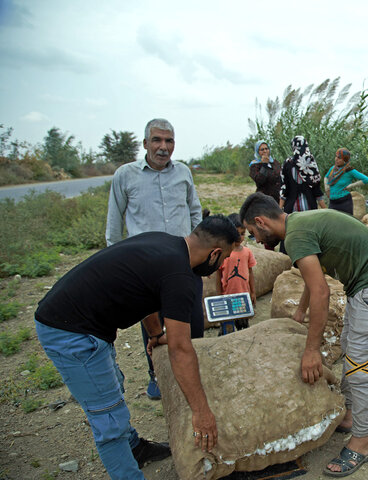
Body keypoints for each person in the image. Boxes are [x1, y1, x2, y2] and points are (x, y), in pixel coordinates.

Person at [35, 215, 239, 480]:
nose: (219, 267)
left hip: (80, 320)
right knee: (108, 420)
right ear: (214, 253)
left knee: (113, 387)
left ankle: (134, 448)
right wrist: (201, 413)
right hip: (71, 332)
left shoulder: (165, 243)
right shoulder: (180, 276)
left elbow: (143, 290)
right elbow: (181, 349)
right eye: (223, 259)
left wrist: (155, 333)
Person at [239, 193, 368, 478]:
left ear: (260, 221)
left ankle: (362, 442)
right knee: (351, 346)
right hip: (367, 281)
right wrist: (300, 309)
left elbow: (322, 292)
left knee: (360, 362)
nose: (257, 239)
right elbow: (315, 275)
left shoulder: (295, 235)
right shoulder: (299, 225)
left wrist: (312, 351)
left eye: (253, 233)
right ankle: (351, 416)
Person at [105, 118, 205, 400]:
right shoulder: (125, 175)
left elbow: (195, 212)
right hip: (143, 267)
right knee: (154, 326)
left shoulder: (183, 172)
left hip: (184, 263)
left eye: (169, 141)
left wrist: (199, 250)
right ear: (145, 143)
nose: (163, 147)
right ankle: (158, 376)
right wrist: (116, 262)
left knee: (192, 322)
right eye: (157, 140)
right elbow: (114, 226)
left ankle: (196, 373)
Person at [215, 213, 257, 332]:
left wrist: (253, 292)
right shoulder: (223, 253)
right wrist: (219, 296)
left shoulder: (247, 252)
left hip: (243, 297)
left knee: (243, 327)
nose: (239, 237)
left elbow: (250, 273)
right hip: (227, 296)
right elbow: (218, 276)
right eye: (236, 233)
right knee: (227, 327)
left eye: (242, 234)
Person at [278, 135, 327, 213]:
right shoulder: (311, 163)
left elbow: (284, 190)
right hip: (310, 209)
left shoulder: (287, 164)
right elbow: (317, 190)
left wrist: (279, 210)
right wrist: (326, 210)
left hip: (292, 210)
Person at [324, 148, 368, 216]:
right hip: (332, 202)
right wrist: (326, 187)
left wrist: (351, 186)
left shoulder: (349, 171)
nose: (336, 159)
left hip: (344, 202)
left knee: (345, 224)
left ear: (345, 160)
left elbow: (366, 180)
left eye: (339, 158)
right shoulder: (333, 169)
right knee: (332, 224)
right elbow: (326, 177)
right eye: (336, 156)